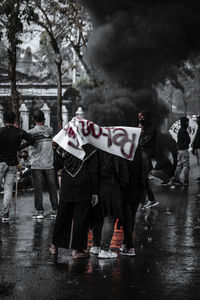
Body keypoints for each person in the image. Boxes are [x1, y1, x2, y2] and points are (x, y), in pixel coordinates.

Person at [50, 144, 99, 259]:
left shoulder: (63, 146)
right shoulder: (90, 148)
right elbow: (93, 171)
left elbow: (56, 165)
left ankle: (54, 246)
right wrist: (95, 192)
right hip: (84, 186)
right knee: (80, 219)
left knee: (62, 216)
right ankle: (77, 250)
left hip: (67, 185)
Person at [90, 150, 129, 259]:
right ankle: (104, 250)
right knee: (109, 217)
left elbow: (92, 171)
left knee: (98, 217)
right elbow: (123, 174)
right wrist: (123, 188)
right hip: (112, 188)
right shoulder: (116, 151)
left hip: (97, 188)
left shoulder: (95, 150)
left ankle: (96, 245)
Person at [0, 111, 34, 222]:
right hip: (12, 163)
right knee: (8, 189)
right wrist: (19, 147)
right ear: (14, 120)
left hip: (0, 163)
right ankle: (5, 215)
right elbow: (31, 139)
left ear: (4, 120)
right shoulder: (18, 132)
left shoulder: (0, 131)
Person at [28, 110, 58, 219]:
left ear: (33, 119)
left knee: (38, 189)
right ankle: (55, 210)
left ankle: (39, 211)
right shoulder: (50, 130)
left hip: (36, 164)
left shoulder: (31, 132)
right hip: (49, 163)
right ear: (44, 119)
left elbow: (27, 144)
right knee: (52, 188)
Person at [120, 147, 144, 256]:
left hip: (126, 190)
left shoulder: (123, 152)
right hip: (138, 190)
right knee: (131, 217)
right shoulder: (141, 152)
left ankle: (129, 246)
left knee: (127, 218)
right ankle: (126, 243)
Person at [138, 111, 158, 208]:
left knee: (144, 181)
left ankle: (147, 201)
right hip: (143, 159)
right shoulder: (146, 131)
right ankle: (146, 201)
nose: (139, 128)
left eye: (140, 127)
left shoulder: (150, 131)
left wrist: (140, 134)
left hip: (146, 159)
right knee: (143, 181)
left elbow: (143, 143)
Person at [171, 116, 190, 187]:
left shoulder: (181, 130)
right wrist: (188, 142)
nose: (188, 123)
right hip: (184, 150)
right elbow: (186, 141)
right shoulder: (183, 131)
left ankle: (176, 179)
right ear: (185, 122)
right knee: (186, 166)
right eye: (187, 122)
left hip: (179, 150)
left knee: (179, 165)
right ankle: (186, 181)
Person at [192, 115, 200, 183]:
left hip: (199, 147)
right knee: (199, 163)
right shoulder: (197, 128)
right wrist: (194, 148)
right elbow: (196, 139)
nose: (197, 121)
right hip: (197, 147)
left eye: (198, 119)